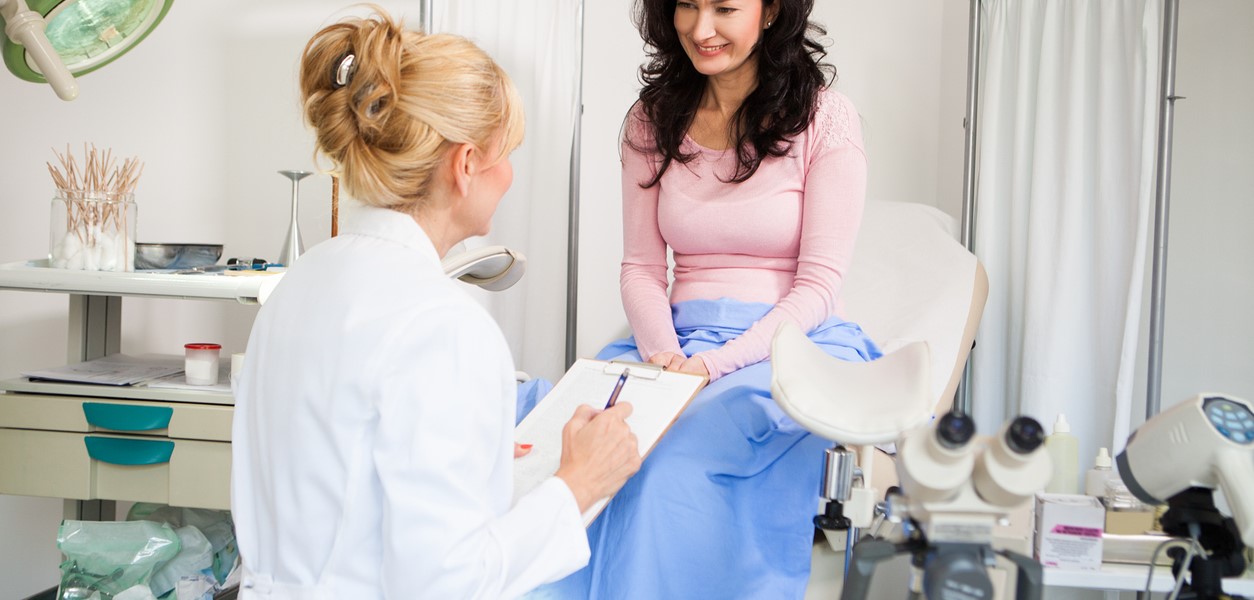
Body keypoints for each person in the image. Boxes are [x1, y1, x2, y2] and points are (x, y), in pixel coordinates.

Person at [230, 9, 642, 599]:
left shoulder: (301, 282)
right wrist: (580, 484)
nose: (510, 175)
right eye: (507, 153)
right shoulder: (444, 326)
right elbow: (447, 582)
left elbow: (336, 471)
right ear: (466, 165)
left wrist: (477, 458)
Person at [536, 0, 881, 597]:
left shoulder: (826, 119)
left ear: (770, 12)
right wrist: (666, 357)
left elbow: (819, 285)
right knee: (576, 449)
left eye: (724, 7)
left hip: (790, 347)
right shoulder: (651, 120)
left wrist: (711, 367)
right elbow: (641, 269)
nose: (701, 29)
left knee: (667, 468)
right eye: (687, 6)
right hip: (674, 345)